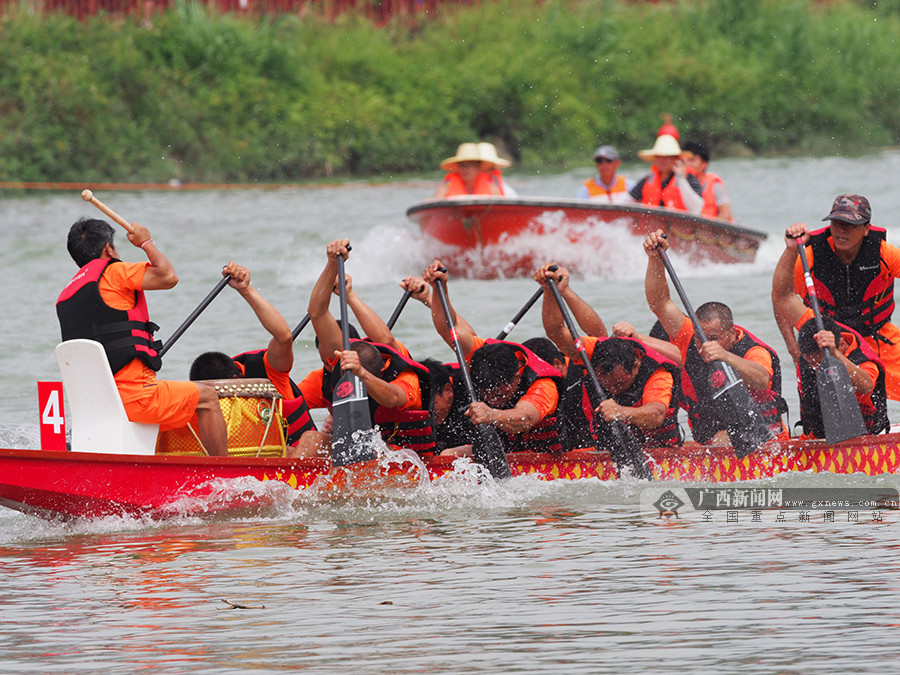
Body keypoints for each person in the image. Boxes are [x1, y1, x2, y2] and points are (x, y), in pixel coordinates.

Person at [56, 217, 228, 456]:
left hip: (95, 406)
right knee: (207, 398)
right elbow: (168, 277)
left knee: (175, 395)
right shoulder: (115, 271)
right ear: (108, 249)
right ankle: (224, 476)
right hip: (136, 400)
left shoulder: (65, 296)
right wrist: (146, 242)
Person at [643, 229, 787, 444]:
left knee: (723, 439)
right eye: (701, 337)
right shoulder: (689, 335)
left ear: (732, 334)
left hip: (763, 438)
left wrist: (725, 357)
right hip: (711, 440)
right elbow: (660, 302)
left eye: (714, 338)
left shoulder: (753, 351)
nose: (704, 345)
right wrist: (655, 259)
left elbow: (761, 379)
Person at [301, 240, 433, 455]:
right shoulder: (342, 360)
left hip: (405, 455)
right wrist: (332, 264)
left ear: (381, 371)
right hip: (358, 449)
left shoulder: (405, 377)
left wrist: (360, 373)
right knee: (311, 439)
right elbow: (317, 312)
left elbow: (392, 397)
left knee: (373, 449)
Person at [422, 260, 563, 455]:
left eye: (498, 394)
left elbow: (526, 418)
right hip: (502, 451)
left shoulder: (542, 384)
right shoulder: (484, 354)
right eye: (486, 393)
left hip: (546, 455)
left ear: (516, 377)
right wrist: (439, 288)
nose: (491, 399)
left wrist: (491, 414)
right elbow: (448, 328)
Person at [534, 265, 681, 450]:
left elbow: (656, 415)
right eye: (606, 384)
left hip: (659, 451)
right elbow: (557, 332)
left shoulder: (657, 372)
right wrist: (550, 291)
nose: (612, 390)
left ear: (635, 366)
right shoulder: (595, 352)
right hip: (602, 451)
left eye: (619, 384)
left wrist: (620, 412)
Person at [187, 262, 320, 458]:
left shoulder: (266, 370)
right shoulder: (201, 397)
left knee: (311, 438)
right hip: (254, 460)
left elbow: (283, 337)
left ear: (238, 376)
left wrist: (246, 290)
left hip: (304, 453)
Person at [772, 225, 889, 437]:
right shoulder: (813, 329)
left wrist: (834, 355)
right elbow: (782, 296)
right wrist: (790, 249)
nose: (817, 368)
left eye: (819, 362)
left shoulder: (861, 359)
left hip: (866, 436)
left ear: (842, 345)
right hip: (817, 437)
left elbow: (865, 385)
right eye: (812, 362)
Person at [787, 194, 900, 402]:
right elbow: (782, 299)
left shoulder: (884, 254)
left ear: (866, 228)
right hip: (832, 343)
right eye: (837, 223)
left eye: (850, 224)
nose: (841, 230)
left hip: (879, 338)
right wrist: (794, 350)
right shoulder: (810, 257)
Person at [629, 135, 704, 215]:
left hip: (678, 226)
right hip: (652, 225)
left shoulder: (689, 178)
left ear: (676, 158)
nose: (662, 161)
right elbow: (627, 200)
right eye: (659, 157)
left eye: (667, 157)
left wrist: (681, 177)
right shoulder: (648, 180)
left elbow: (696, 208)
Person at [681, 140, 733, 222]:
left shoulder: (715, 185)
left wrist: (705, 229)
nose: (686, 164)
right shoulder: (677, 182)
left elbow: (725, 215)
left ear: (704, 164)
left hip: (709, 231)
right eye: (683, 161)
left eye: (692, 160)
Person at [433, 142, 508, 199]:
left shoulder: (489, 183)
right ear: (458, 167)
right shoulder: (447, 184)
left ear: (478, 167)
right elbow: (435, 203)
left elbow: (499, 204)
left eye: (470, 165)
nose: (466, 169)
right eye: (462, 165)